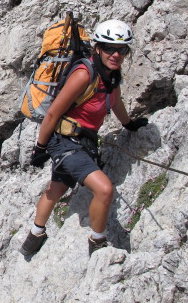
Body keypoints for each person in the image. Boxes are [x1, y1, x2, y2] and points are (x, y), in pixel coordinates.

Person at [20, 19, 148, 257]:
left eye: (122, 50)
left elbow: (116, 102)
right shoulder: (83, 74)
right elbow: (53, 113)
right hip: (66, 143)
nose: (116, 54)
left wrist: (129, 124)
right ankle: (98, 242)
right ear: (97, 47)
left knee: (56, 189)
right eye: (110, 48)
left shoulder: (111, 76)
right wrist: (40, 147)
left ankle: (35, 234)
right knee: (105, 190)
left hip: (84, 144)